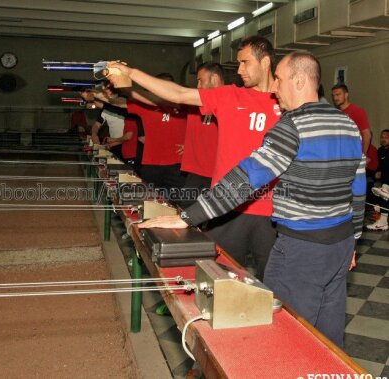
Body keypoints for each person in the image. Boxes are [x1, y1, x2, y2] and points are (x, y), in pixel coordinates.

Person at [139, 51, 366, 348]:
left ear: (298, 81)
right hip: (339, 247)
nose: (274, 89)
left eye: (280, 81)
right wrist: (354, 241)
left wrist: (186, 217)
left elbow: (244, 181)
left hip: (301, 250)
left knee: (286, 337)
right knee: (327, 339)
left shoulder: (291, 126)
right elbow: (358, 189)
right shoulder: (347, 124)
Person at [107, 36, 280, 279]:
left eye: (245, 62)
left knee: (277, 292)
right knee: (216, 282)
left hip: (275, 213)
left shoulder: (289, 102)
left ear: (265, 62)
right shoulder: (230, 96)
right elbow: (178, 94)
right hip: (228, 208)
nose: (239, 70)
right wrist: (132, 73)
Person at [178, 62, 224, 207]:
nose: (198, 86)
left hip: (220, 174)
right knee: (185, 212)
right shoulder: (195, 101)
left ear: (214, 79)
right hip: (195, 172)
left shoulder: (233, 101)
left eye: (200, 81)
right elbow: (165, 98)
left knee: (214, 220)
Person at [332, 83, 371, 154]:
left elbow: (367, 134)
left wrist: (363, 154)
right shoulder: (335, 113)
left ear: (346, 95)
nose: (335, 98)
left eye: (338, 95)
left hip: (354, 154)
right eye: (333, 95)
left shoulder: (357, 111)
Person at [367, 129, 389, 231]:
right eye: (382, 137)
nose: (383, 139)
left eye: (386, 137)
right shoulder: (380, 151)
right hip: (384, 180)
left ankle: (385, 188)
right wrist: (378, 171)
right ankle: (383, 222)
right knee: (384, 195)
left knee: (385, 193)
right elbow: (379, 167)